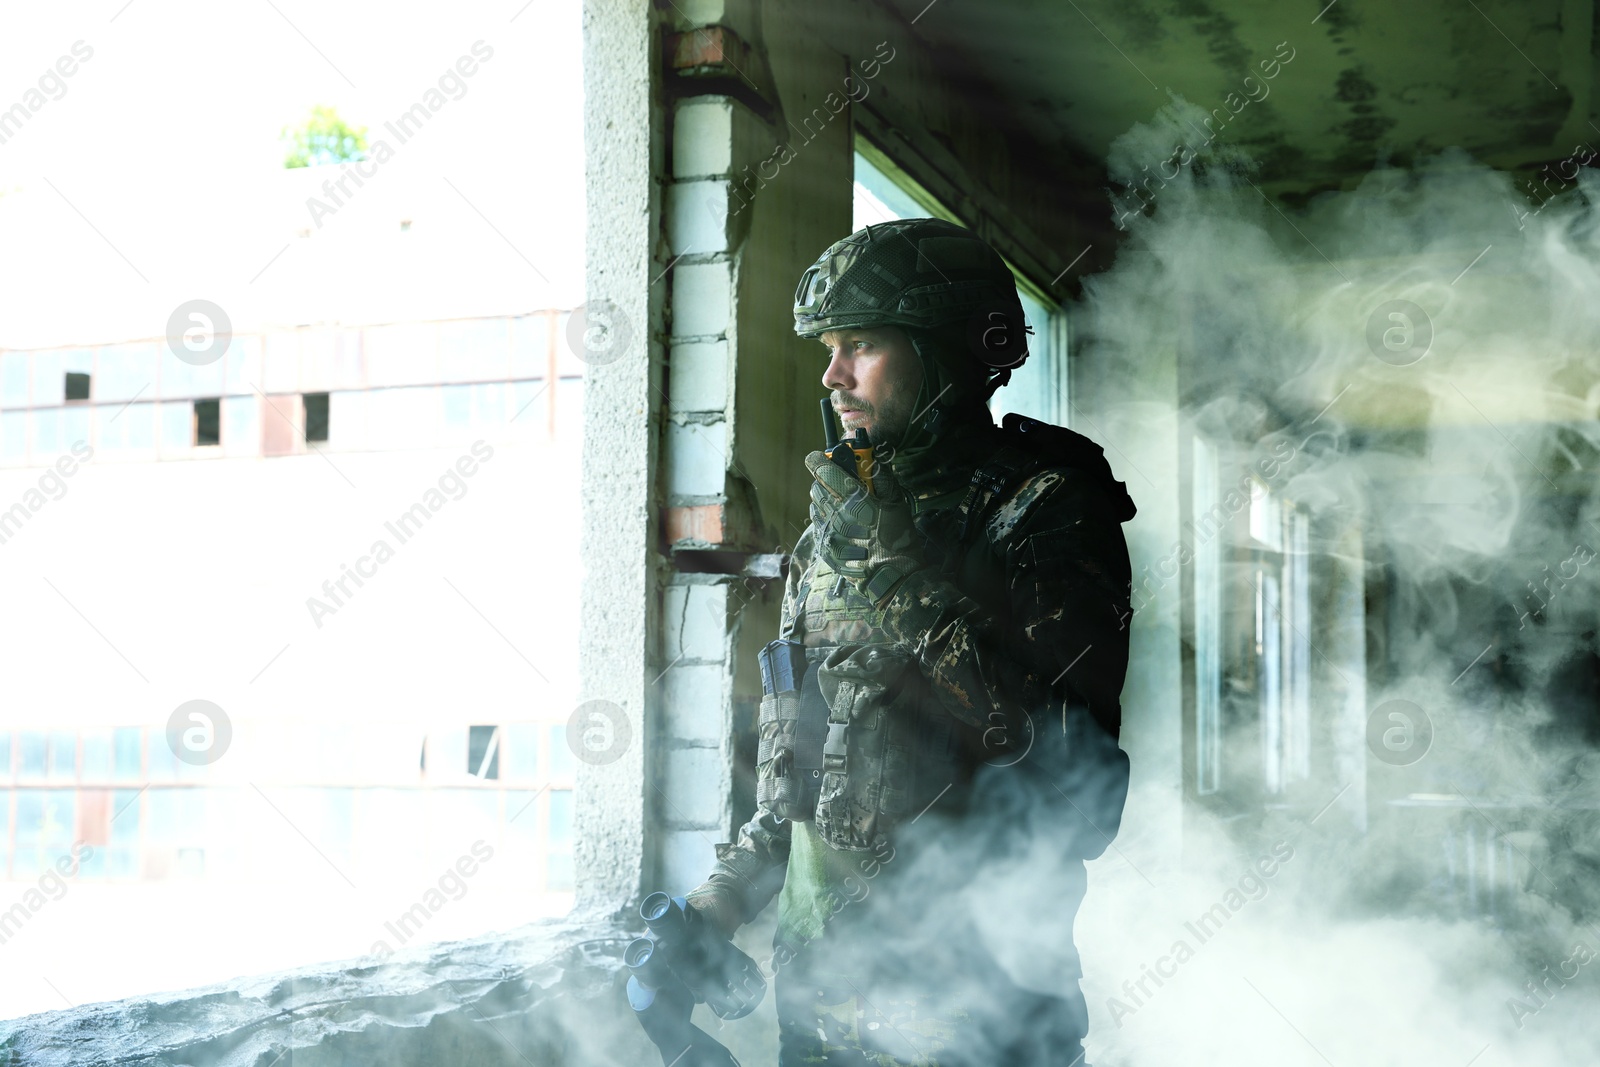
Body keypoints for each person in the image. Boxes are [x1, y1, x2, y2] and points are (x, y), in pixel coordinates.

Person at [683, 217, 1138, 1066]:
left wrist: (899, 576)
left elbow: (1071, 787)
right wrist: (719, 900)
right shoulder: (833, 538)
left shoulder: (1043, 511)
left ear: (952, 351)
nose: (832, 374)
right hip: (818, 1010)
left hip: (983, 1017)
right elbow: (798, 786)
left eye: (860, 343)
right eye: (827, 345)